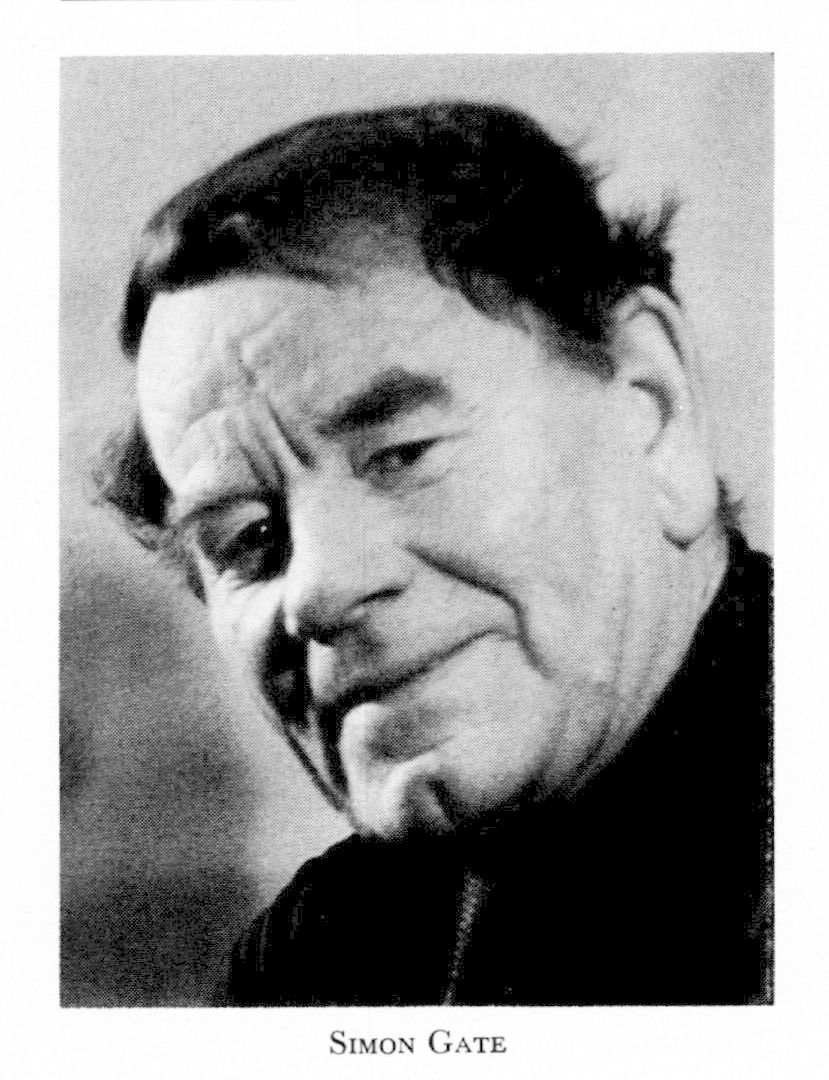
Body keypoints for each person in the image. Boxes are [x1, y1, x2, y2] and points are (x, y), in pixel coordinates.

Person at [97, 101, 772, 1005]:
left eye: (402, 454)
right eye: (248, 539)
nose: (319, 590)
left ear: (651, 410)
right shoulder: (318, 956)